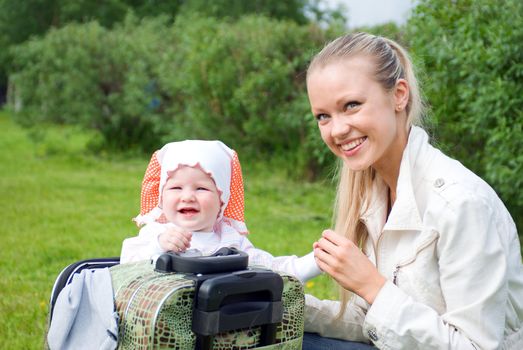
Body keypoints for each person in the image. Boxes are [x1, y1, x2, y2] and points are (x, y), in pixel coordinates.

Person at [301, 32, 523, 349]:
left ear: (399, 95)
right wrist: (283, 307)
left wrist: (371, 285)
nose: (336, 130)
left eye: (351, 105)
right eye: (323, 116)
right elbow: (375, 321)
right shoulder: (374, 191)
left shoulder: (460, 204)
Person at [120, 139, 321, 284]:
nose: (188, 196)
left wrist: (314, 262)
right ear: (162, 197)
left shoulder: (229, 239)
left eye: (201, 188)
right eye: (176, 188)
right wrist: (158, 246)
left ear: (221, 200)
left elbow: (270, 268)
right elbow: (124, 270)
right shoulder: (157, 232)